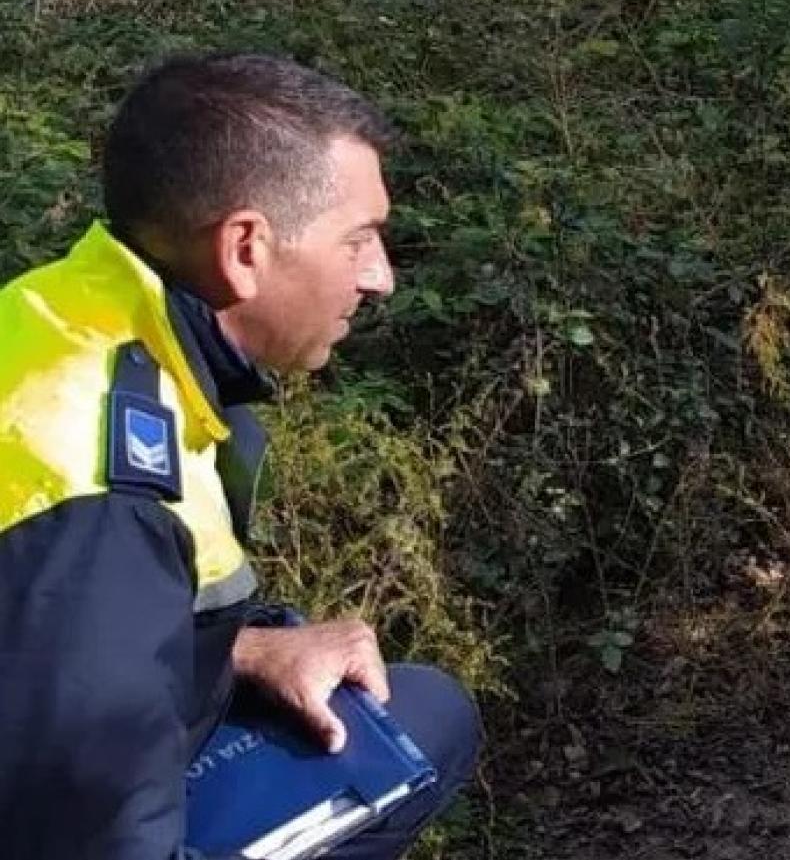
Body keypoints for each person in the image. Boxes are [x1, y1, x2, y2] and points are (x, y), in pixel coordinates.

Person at [0, 52, 482, 858]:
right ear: (245, 248)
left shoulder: (58, 312)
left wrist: (248, 648)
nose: (381, 276)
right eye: (359, 239)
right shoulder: (104, 494)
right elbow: (84, 831)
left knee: (418, 717)